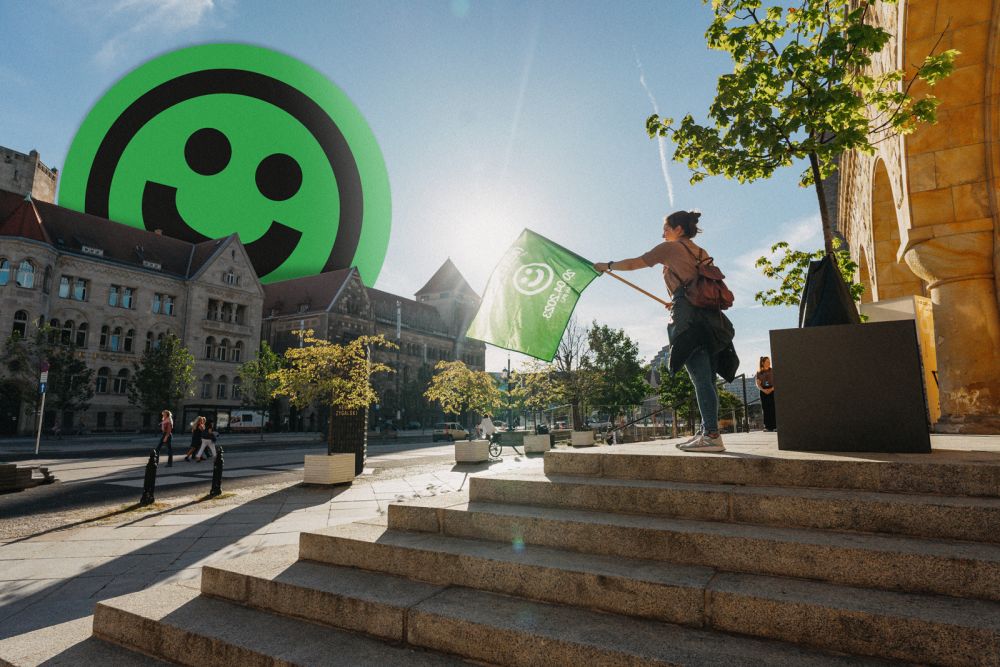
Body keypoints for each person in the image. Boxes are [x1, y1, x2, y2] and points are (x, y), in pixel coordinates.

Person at [594, 210, 738, 453]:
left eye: (666, 228)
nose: (663, 233)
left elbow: (635, 262)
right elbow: (698, 285)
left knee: (700, 378)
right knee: (708, 379)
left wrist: (607, 266)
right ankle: (707, 431)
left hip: (690, 321)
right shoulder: (700, 251)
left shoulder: (669, 248)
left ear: (678, 229)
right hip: (712, 319)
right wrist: (678, 299)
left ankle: (712, 435)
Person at [756, 356, 777, 432]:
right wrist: (763, 390)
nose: (769, 363)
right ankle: (768, 427)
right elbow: (758, 384)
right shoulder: (759, 373)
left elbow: (777, 381)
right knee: (765, 409)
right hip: (763, 391)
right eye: (767, 361)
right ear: (763, 363)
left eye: (769, 361)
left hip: (773, 390)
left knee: (773, 408)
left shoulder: (773, 371)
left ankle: (775, 426)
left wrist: (771, 389)